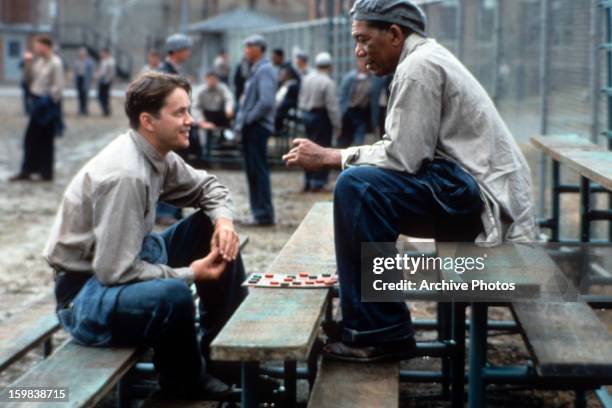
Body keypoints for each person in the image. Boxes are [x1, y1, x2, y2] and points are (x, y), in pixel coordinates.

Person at [283, 0, 537, 362]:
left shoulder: (418, 68)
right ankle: (368, 320)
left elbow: (404, 157)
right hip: (473, 196)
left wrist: (331, 156)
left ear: (395, 34)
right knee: (363, 188)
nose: (358, 51)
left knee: (359, 187)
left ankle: (380, 332)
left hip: (487, 211)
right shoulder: (422, 59)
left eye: (363, 39)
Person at [44, 72, 247, 399]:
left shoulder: (156, 154)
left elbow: (209, 187)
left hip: (123, 263)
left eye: (188, 110)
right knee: (174, 296)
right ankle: (184, 383)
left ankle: (226, 360)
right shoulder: (127, 175)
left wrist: (223, 223)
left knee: (211, 230)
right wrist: (191, 273)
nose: (190, 120)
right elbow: (116, 272)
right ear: (148, 121)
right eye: (179, 112)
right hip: (84, 295)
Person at [156, 33, 200, 224]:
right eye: (185, 50)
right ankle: (165, 211)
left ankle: (173, 210)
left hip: (177, 125)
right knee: (168, 169)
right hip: (169, 127)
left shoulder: (172, 71)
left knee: (176, 169)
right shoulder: (164, 73)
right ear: (177, 51)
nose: (188, 54)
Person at [234, 34, 276, 226]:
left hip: (257, 127)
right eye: (246, 46)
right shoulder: (255, 69)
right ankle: (258, 212)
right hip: (252, 126)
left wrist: (248, 119)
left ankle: (263, 214)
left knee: (258, 171)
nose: (246, 50)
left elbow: (266, 101)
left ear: (260, 49)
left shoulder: (265, 70)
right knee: (253, 171)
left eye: (250, 46)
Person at [10, 35, 63, 182]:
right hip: (36, 103)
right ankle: (28, 170)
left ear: (46, 46)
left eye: (37, 45)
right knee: (31, 139)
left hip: (47, 106)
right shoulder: (38, 62)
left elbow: (58, 88)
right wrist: (27, 64)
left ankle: (46, 173)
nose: (35, 48)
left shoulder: (55, 63)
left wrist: (47, 102)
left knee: (46, 140)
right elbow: (28, 81)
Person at [297, 52, 340, 192]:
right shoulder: (328, 82)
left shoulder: (307, 79)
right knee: (322, 149)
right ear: (329, 66)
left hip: (307, 115)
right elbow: (332, 106)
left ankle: (308, 180)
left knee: (306, 148)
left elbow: (301, 98)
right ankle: (318, 182)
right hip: (322, 117)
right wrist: (337, 125)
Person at [338, 57, 376, 147]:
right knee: (345, 141)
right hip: (349, 112)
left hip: (362, 113)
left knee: (360, 141)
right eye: (361, 62)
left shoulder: (372, 78)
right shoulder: (350, 78)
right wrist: (341, 114)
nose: (363, 64)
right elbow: (342, 96)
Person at [195, 71, 235, 150]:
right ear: (206, 79)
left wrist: (229, 109)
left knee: (231, 118)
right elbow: (195, 107)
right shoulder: (200, 91)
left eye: (214, 79)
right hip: (206, 115)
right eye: (210, 79)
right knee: (204, 132)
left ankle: (226, 139)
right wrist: (200, 120)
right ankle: (203, 148)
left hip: (220, 114)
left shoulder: (222, 88)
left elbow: (229, 98)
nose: (212, 81)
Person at [274, 66, 300, 134]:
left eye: (283, 75)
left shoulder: (293, 85)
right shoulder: (284, 84)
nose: (281, 76)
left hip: (283, 110)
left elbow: (286, 101)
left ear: (289, 75)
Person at [73, 47, 94, 115]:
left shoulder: (89, 62)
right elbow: (75, 72)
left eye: (83, 53)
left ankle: (85, 110)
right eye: (80, 53)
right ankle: (80, 109)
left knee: (85, 95)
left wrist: (90, 80)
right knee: (79, 95)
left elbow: (91, 72)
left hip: (85, 79)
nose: (81, 55)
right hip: (79, 79)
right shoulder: (77, 61)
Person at [96, 48, 115, 116]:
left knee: (104, 96)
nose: (101, 54)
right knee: (102, 96)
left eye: (102, 53)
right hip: (102, 80)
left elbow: (110, 72)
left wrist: (110, 79)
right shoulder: (103, 61)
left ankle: (106, 110)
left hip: (106, 81)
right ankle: (105, 109)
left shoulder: (110, 61)